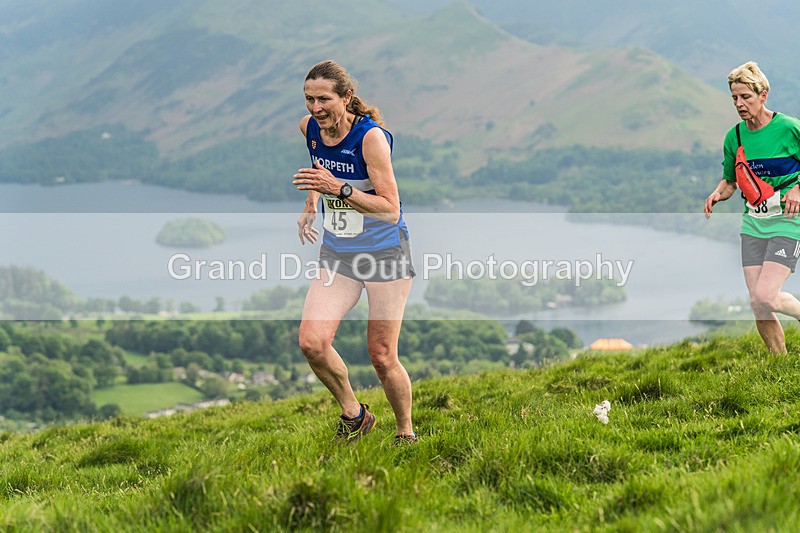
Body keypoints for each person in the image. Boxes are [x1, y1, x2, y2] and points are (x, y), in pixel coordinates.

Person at [292, 60, 417, 443]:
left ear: (346, 97)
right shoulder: (309, 128)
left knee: (381, 355)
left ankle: (405, 434)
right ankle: (355, 415)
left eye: (324, 99)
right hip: (339, 253)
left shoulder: (370, 138)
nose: (316, 108)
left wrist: (340, 189)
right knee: (312, 342)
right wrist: (312, 200)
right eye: (310, 99)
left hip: (384, 253)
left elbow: (390, 209)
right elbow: (321, 169)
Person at [705, 61, 800, 353]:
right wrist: (717, 193)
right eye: (734, 97)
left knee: (767, 296)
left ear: (763, 95)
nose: (739, 104)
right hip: (753, 225)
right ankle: (779, 364)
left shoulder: (789, 128)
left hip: (788, 221)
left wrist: (797, 188)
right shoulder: (734, 137)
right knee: (758, 303)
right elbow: (730, 181)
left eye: (745, 97)